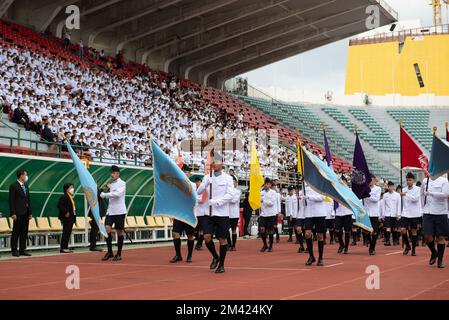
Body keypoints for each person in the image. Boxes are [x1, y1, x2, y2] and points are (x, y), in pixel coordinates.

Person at [196, 157, 233, 273]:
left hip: (222, 213)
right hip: (209, 212)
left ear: (221, 164)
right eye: (213, 163)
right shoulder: (207, 177)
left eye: (216, 162)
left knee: (222, 239)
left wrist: (217, 202)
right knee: (206, 237)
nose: (214, 165)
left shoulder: (228, 178)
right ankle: (215, 257)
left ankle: (221, 264)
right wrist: (205, 184)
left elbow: (230, 194)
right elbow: (198, 192)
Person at [421, 175, 449, 268]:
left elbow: (446, 194)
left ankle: (440, 260)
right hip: (427, 211)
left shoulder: (444, 181)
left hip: (440, 211)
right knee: (427, 235)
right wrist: (422, 208)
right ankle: (434, 252)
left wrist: (431, 193)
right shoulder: (425, 181)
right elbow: (422, 195)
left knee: (440, 237)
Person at [169, 165, 196, 263]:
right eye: (183, 171)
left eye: (187, 172)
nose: (185, 173)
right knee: (175, 233)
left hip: (188, 212)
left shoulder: (192, 185)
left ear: (189, 174)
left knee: (190, 235)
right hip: (179, 212)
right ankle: (178, 255)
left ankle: (189, 255)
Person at [100, 165, 127, 261]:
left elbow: (117, 194)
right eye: (111, 173)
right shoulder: (112, 184)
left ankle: (119, 253)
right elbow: (112, 192)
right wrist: (107, 187)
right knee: (107, 229)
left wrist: (104, 195)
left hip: (119, 211)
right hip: (110, 211)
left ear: (118, 173)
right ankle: (110, 252)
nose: (111, 175)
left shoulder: (122, 183)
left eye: (113, 173)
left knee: (119, 232)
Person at [301, 182, 326, 266]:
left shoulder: (320, 182)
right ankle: (311, 257)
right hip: (308, 213)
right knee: (307, 234)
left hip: (319, 212)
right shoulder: (304, 183)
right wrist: (301, 197)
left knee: (320, 236)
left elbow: (322, 197)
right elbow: (302, 196)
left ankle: (320, 257)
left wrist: (308, 197)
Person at [9, 169, 32, 257]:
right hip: (18, 213)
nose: (26, 176)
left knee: (24, 232)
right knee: (16, 232)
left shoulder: (26, 185)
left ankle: (23, 249)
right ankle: (14, 250)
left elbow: (28, 199)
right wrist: (13, 213)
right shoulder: (13, 186)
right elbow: (11, 201)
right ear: (21, 175)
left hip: (26, 212)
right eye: (25, 174)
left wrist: (30, 212)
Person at [399, 172, 422, 256]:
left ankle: (413, 249)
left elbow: (415, 199)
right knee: (403, 230)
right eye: (407, 180)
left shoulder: (417, 189)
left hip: (414, 213)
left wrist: (406, 195)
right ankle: (407, 246)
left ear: (413, 180)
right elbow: (401, 202)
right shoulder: (404, 189)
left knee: (414, 231)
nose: (408, 181)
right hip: (405, 213)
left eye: (410, 180)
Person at [334, 177, 353, 254]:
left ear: (346, 182)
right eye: (340, 181)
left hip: (347, 212)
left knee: (347, 231)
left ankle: (346, 247)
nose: (342, 183)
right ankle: (342, 244)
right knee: (337, 230)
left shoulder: (349, 191)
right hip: (338, 212)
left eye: (343, 181)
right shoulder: (336, 190)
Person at [259, 178, 278, 252]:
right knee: (262, 229)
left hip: (271, 214)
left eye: (268, 184)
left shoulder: (273, 193)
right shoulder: (261, 192)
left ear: (270, 185)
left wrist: (263, 200)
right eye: (265, 183)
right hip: (263, 214)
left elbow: (271, 203)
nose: (266, 185)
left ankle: (271, 246)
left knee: (270, 231)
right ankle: (265, 244)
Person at [365, 174, 382, 255]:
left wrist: (367, 195)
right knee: (366, 231)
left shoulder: (378, 188)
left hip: (374, 213)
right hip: (366, 212)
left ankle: (372, 248)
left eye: (372, 180)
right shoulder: (365, 188)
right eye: (369, 180)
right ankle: (371, 244)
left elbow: (376, 199)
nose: (370, 181)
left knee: (374, 232)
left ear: (375, 180)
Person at [57, 183, 76, 253]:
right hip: (66, 217)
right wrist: (66, 212)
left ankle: (66, 247)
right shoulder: (64, 196)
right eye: (71, 187)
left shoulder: (70, 197)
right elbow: (59, 205)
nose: (72, 189)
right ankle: (63, 248)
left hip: (71, 217)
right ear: (67, 189)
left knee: (68, 232)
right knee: (65, 232)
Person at [382, 181, 402, 246]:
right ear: (387, 187)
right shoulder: (385, 195)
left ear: (393, 187)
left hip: (395, 213)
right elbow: (383, 205)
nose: (390, 188)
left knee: (394, 228)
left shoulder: (397, 195)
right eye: (389, 186)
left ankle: (395, 240)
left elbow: (399, 205)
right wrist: (383, 214)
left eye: (391, 186)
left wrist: (398, 214)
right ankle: (387, 241)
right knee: (388, 227)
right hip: (387, 214)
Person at [227, 175, 241, 251]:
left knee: (233, 229)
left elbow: (233, 200)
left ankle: (233, 245)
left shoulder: (238, 191)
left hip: (234, 214)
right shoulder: (226, 191)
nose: (232, 183)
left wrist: (227, 198)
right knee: (226, 229)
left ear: (236, 183)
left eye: (234, 182)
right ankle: (229, 244)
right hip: (226, 213)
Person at [194, 177, 207, 250]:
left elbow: (202, 200)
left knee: (201, 230)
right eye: (196, 182)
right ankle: (199, 242)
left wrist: (195, 198)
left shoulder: (204, 191)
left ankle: (200, 244)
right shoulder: (195, 190)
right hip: (195, 213)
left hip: (202, 213)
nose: (197, 183)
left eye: (198, 182)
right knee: (195, 230)